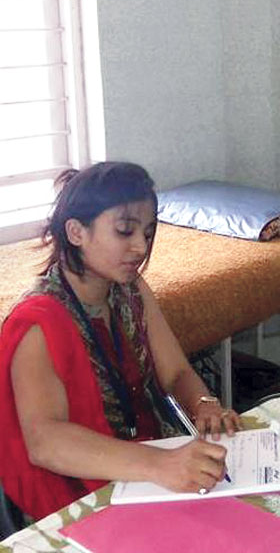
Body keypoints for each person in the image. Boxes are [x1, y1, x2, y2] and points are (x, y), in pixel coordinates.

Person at [0, 162, 242, 521]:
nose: (140, 246)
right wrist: (160, 464)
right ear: (76, 232)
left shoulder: (130, 290)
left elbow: (175, 372)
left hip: (148, 460)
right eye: (125, 231)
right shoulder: (38, 322)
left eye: (148, 232)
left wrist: (204, 405)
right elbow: (45, 441)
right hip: (78, 484)